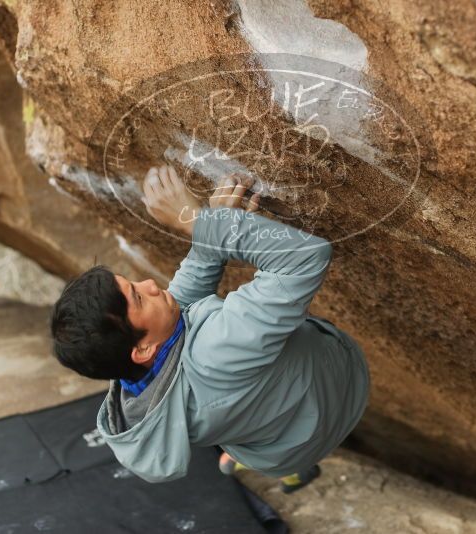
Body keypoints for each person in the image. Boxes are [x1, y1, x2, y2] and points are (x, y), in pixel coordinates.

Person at [50, 164, 370, 493]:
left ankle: (259, 458)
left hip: (276, 448)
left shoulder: (137, 379)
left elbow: (182, 303)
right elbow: (304, 256)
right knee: (242, 394)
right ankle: (262, 447)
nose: (148, 284)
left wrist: (216, 225)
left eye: (132, 283)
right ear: (142, 348)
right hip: (339, 393)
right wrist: (197, 221)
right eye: (138, 298)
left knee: (243, 419)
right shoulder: (214, 353)